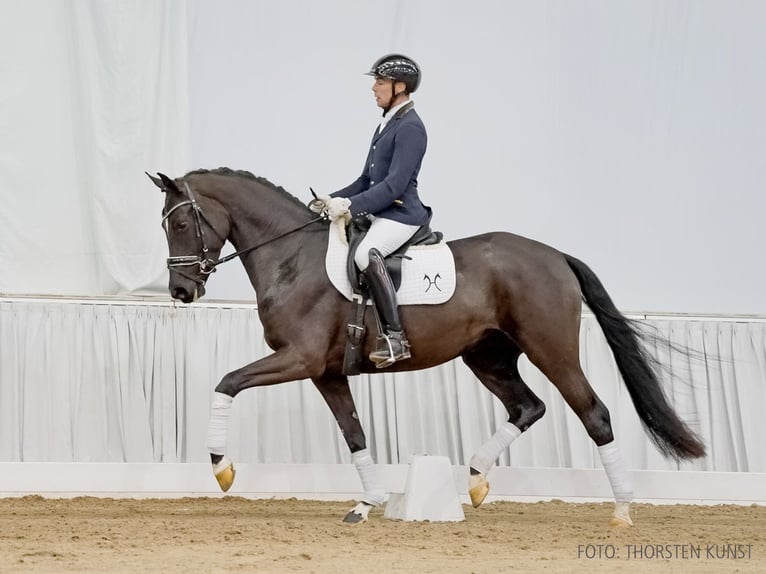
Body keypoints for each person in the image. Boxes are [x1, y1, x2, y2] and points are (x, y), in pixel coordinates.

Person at [314, 54, 432, 369]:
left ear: (400, 86)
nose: (373, 88)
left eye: (379, 81)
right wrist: (332, 199)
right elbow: (365, 180)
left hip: (402, 214)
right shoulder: (386, 124)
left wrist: (351, 206)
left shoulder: (411, 128)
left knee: (365, 254)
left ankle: (395, 337)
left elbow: (394, 186)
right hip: (381, 212)